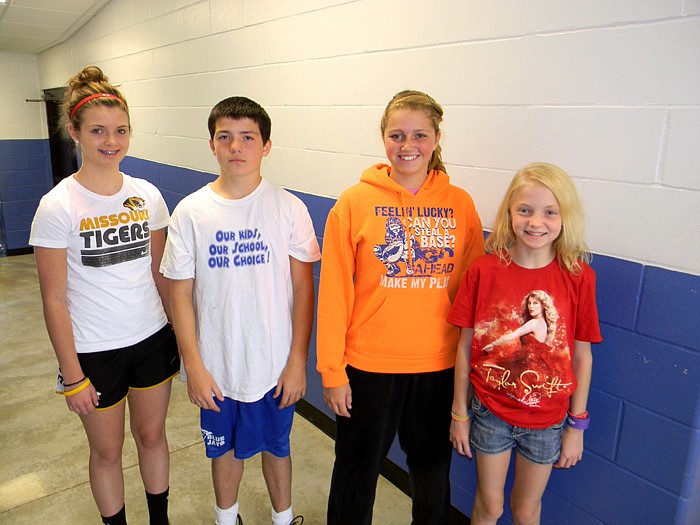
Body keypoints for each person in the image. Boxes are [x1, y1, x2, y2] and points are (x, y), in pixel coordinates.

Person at [317, 90, 485, 524]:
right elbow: (335, 293)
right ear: (383, 138)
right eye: (397, 135)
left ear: (436, 138)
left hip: (438, 366)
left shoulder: (461, 205)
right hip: (369, 367)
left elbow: (472, 297)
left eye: (419, 135)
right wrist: (333, 372)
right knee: (356, 474)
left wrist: (472, 373)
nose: (407, 145)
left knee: (432, 479)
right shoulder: (353, 202)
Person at [29, 66, 179, 525]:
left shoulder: (147, 195)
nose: (110, 140)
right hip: (94, 350)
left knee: (152, 437)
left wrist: (185, 340)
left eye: (120, 130)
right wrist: (72, 375)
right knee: (108, 451)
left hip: (152, 338)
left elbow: (161, 274)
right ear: (74, 133)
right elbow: (54, 299)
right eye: (97, 130)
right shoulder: (58, 205)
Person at [160, 96, 319, 525]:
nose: (236, 147)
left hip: (274, 364)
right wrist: (194, 365)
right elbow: (179, 294)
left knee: (277, 446)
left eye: (248, 137)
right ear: (211, 144)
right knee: (224, 448)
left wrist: (297, 362)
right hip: (217, 364)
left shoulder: (289, 209)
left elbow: (304, 290)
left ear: (266, 146)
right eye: (225, 137)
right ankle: (225, 518)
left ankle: (283, 518)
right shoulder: (191, 212)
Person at [447, 162, 602, 525]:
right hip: (491, 413)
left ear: (566, 217)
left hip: (547, 421)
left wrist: (576, 427)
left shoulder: (579, 278)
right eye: (525, 210)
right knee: (490, 507)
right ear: (509, 214)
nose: (536, 222)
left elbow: (582, 357)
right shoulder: (483, 272)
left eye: (550, 212)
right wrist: (459, 414)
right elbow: (465, 348)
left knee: (526, 509)